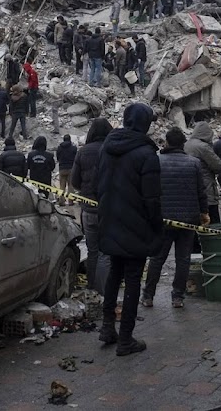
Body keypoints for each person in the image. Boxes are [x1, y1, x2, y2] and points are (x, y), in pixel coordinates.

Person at [97, 103, 162, 356]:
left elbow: (98, 184)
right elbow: (152, 199)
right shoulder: (146, 154)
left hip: (109, 221)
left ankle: (107, 327)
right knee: (133, 279)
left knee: (115, 272)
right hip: (136, 226)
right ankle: (126, 339)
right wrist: (157, 227)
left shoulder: (107, 147)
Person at [142, 127, 208, 309]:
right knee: (183, 259)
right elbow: (201, 192)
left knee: (157, 258)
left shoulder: (156, 161)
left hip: (163, 219)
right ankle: (177, 297)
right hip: (188, 219)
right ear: (183, 144)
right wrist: (204, 213)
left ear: (167, 142)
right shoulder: (194, 163)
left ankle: (148, 296)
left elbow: (149, 190)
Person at [71, 118, 113, 291]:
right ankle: (103, 292)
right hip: (108, 209)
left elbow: (75, 181)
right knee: (105, 253)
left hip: (88, 210)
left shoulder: (83, 151)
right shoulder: (112, 150)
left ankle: (91, 288)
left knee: (92, 250)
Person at [184, 122, 221, 225]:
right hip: (206, 191)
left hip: (189, 191)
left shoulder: (186, 144)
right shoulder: (203, 147)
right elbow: (218, 167)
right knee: (213, 225)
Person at [56, 135, 78, 205]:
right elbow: (76, 158)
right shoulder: (74, 148)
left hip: (62, 169)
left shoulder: (59, 148)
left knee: (62, 186)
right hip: (71, 168)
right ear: (70, 140)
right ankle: (70, 201)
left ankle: (61, 201)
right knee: (70, 186)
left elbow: (57, 158)